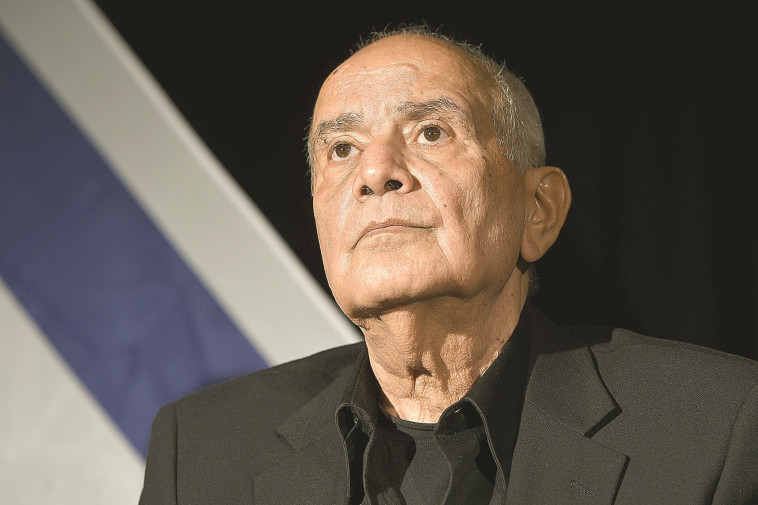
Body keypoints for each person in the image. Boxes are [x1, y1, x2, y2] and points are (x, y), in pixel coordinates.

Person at [139, 25, 758, 505]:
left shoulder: (716, 428)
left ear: (538, 210)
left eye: (431, 132)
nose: (375, 172)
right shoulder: (201, 451)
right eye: (342, 148)